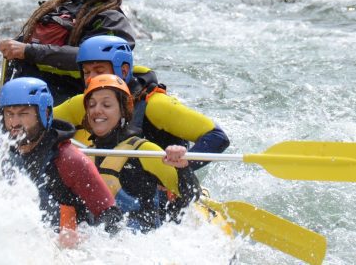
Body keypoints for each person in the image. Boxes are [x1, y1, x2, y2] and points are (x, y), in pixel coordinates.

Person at [55, 35, 230, 170]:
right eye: (86, 72)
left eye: (99, 71)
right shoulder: (84, 103)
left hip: (158, 185)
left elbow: (216, 137)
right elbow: (38, 121)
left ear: (123, 70)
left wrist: (184, 164)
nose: (90, 79)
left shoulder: (156, 105)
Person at [0, 0, 137, 104]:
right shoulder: (56, 8)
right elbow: (21, 48)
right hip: (29, 96)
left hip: (73, 100)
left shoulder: (112, 19)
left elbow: (91, 56)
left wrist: (29, 51)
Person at [0, 77, 120, 247]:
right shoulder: (3, 155)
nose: (14, 123)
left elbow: (112, 217)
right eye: (9, 114)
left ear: (44, 114)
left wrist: (84, 240)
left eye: (23, 114)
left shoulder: (69, 160)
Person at [81, 74, 200, 232]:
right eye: (92, 105)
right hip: (102, 244)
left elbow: (191, 195)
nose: (97, 110)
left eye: (107, 105)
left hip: (143, 244)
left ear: (123, 110)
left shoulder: (144, 151)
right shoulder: (86, 156)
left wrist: (182, 167)